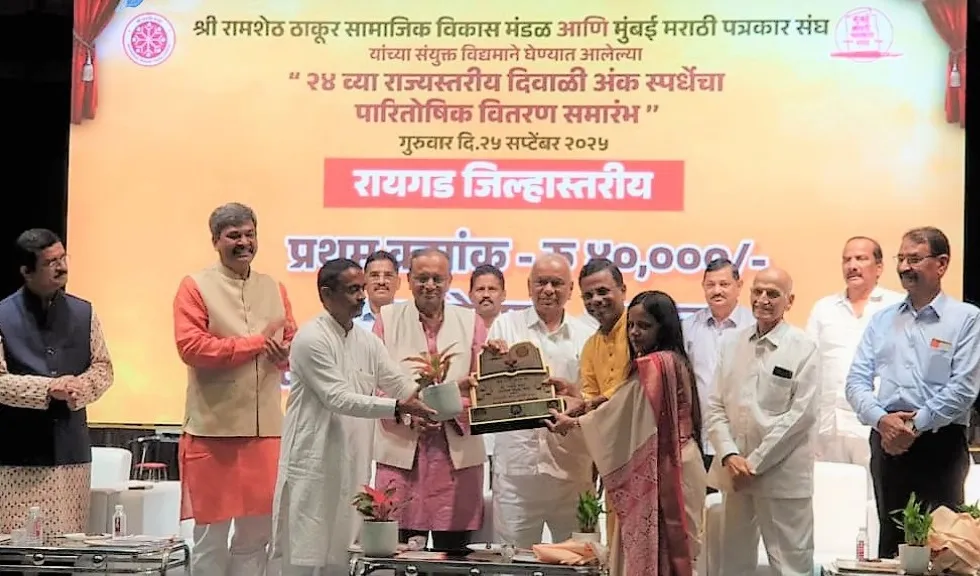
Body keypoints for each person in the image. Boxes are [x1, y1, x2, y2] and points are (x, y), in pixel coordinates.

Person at [271, 258, 436, 576]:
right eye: (352, 290)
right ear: (326, 294)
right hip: (312, 464)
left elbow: (398, 382)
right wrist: (399, 407)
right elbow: (337, 398)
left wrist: (434, 397)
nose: (362, 296)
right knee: (302, 558)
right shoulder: (310, 338)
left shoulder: (367, 341)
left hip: (352, 462)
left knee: (341, 556)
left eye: (362, 288)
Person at [173, 203, 296, 576]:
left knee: (256, 537)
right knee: (210, 538)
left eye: (249, 234)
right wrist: (256, 344)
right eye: (233, 236)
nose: (244, 242)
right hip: (213, 433)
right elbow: (191, 347)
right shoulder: (195, 286)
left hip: (266, 433)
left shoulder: (274, 287)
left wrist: (286, 355)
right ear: (215, 241)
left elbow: (291, 345)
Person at [845, 226, 980, 559]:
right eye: (901, 259)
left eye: (915, 259)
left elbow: (964, 388)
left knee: (944, 547)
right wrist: (882, 421)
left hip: (940, 443)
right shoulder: (882, 320)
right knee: (892, 544)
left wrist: (914, 424)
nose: (905, 267)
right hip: (888, 442)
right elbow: (856, 381)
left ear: (942, 264)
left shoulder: (966, 319)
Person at [547, 290, 705, 575]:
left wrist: (574, 424)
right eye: (631, 325)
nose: (634, 332)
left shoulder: (658, 364)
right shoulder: (671, 360)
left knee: (671, 558)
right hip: (672, 463)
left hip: (670, 468)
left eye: (644, 326)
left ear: (664, 327)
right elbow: (622, 399)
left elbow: (621, 411)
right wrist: (584, 405)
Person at [706, 267, 820, 575]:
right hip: (735, 474)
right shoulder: (731, 343)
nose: (763, 300)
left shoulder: (804, 347)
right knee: (732, 566)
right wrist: (730, 455)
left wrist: (753, 464)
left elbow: (801, 416)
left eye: (773, 294)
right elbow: (714, 406)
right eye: (758, 292)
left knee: (792, 567)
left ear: (789, 301)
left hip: (783, 477)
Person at [0, 228, 113, 535]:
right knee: (19, 548)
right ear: (26, 271)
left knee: (68, 546)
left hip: (71, 453)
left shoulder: (84, 311)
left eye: (63, 258)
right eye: (51, 262)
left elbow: (103, 368)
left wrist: (81, 388)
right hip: (16, 456)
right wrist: (48, 389)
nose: (62, 267)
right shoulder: (2, 315)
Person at [372, 248, 486, 550]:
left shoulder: (471, 322)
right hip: (403, 456)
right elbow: (376, 386)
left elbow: (482, 386)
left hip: (456, 457)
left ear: (449, 280)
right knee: (401, 557)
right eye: (422, 278)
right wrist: (411, 414)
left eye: (437, 278)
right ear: (409, 280)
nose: (430, 285)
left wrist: (448, 406)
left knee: (455, 557)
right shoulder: (387, 320)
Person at [484, 254, 595, 548]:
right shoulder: (505, 326)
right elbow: (490, 391)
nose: (548, 290)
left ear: (570, 289)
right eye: (541, 282)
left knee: (576, 558)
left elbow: (593, 398)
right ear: (529, 286)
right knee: (513, 560)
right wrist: (492, 361)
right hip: (518, 472)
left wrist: (575, 397)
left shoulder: (588, 336)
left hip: (571, 468)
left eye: (556, 283)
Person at [806, 236, 902, 469]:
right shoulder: (824, 308)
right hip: (830, 425)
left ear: (879, 267)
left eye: (860, 258)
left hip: (878, 423)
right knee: (833, 487)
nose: (852, 265)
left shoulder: (897, 306)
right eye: (847, 260)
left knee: (875, 488)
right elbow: (807, 365)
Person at [682, 258, 753, 473]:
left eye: (724, 284)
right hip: (699, 437)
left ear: (739, 286)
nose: (717, 291)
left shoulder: (754, 326)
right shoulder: (688, 327)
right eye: (710, 285)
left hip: (742, 440)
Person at [579, 258, 629, 401]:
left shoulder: (640, 331)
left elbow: (640, 383)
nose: (595, 300)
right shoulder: (590, 346)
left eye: (602, 292)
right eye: (588, 296)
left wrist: (602, 399)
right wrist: (573, 395)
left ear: (623, 291)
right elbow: (590, 394)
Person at [355, 250, 400, 331]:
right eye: (374, 275)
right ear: (364, 282)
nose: (381, 282)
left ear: (398, 282)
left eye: (388, 275)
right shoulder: (351, 319)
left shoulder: (410, 318)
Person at [469, 264, 506, 329]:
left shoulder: (513, 329)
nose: (486, 295)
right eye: (480, 289)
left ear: (503, 295)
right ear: (470, 295)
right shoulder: (461, 328)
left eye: (492, 289)